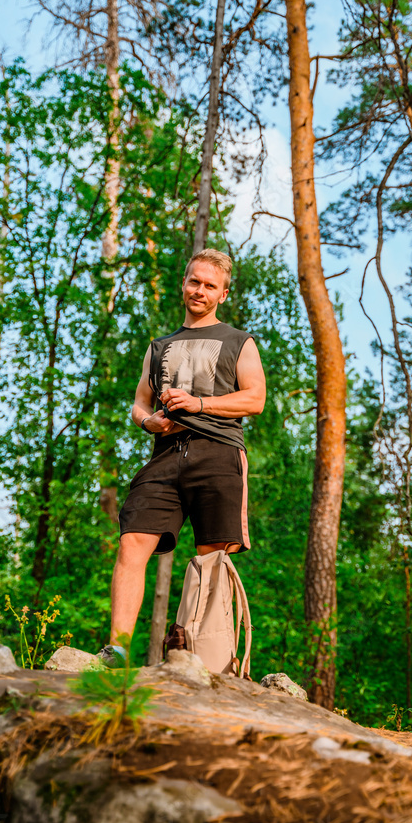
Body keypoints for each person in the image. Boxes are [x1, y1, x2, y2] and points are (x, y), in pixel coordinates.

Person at [98, 248, 266, 665]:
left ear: (223, 294)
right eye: (195, 281)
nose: (201, 291)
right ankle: (117, 651)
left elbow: (256, 399)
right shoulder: (159, 346)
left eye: (211, 285)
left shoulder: (239, 341)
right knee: (132, 542)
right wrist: (147, 422)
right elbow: (139, 403)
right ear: (184, 284)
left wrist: (199, 404)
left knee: (212, 559)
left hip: (219, 453)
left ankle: (207, 662)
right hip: (165, 456)